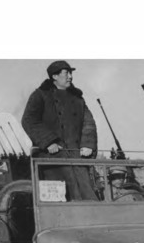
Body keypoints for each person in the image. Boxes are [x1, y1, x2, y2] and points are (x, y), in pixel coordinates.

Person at [21, 60, 97, 200]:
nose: (70, 77)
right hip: (52, 161)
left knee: (87, 198)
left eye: (70, 73)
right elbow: (29, 120)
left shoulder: (78, 98)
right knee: (58, 200)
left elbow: (88, 123)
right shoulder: (40, 95)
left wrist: (87, 144)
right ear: (54, 76)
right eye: (66, 73)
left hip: (77, 158)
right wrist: (48, 142)